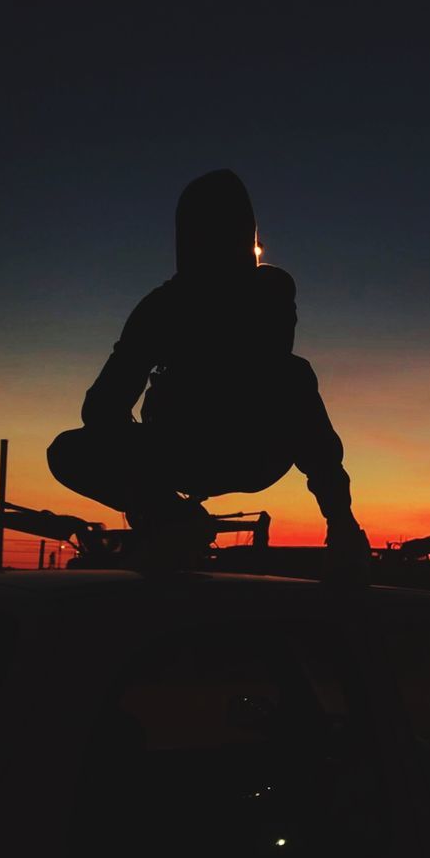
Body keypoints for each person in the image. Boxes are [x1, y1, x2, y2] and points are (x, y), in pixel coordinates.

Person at [47, 169, 369, 576]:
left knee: (292, 377)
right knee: (69, 451)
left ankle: (339, 529)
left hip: (248, 449)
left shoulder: (206, 304)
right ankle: (174, 521)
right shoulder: (167, 308)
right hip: (198, 449)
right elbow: (102, 407)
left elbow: (101, 408)